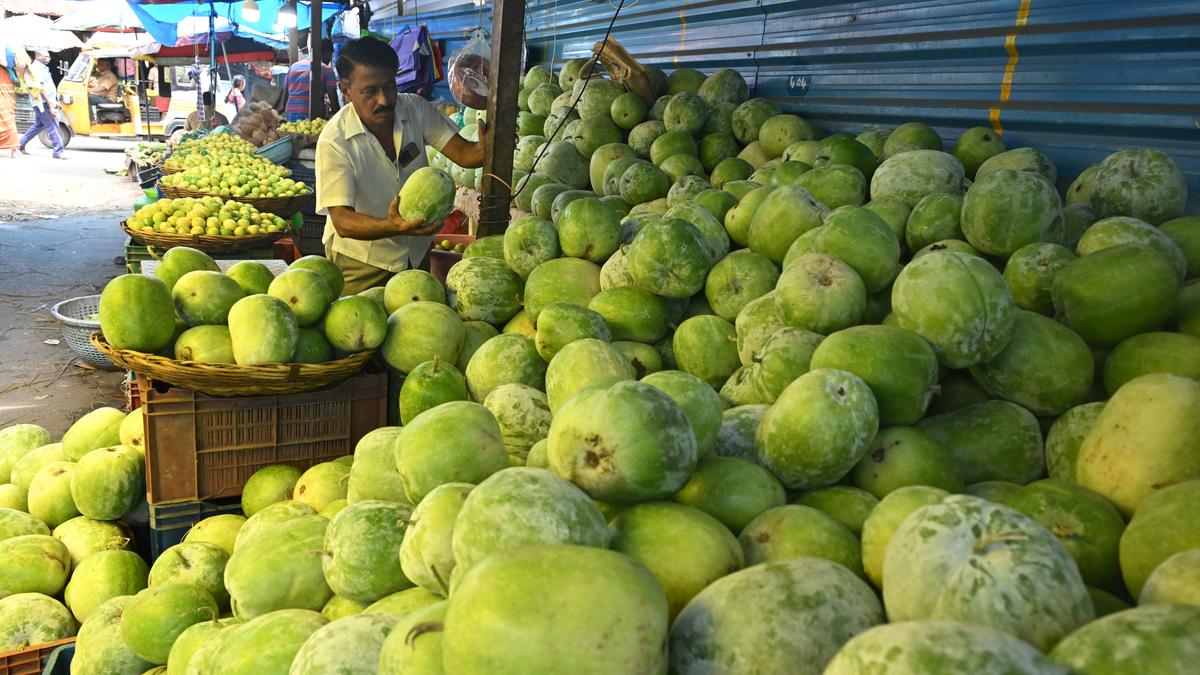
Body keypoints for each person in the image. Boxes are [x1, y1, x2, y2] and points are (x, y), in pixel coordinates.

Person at [316, 37, 484, 294]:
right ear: (345, 90)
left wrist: (487, 141)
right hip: (362, 262)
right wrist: (392, 226)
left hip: (415, 254)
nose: (384, 100)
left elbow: (465, 155)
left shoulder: (415, 109)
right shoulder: (335, 141)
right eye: (370, 91)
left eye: (389, 86)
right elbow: (343, 221)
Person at [18, 50, 64, 159]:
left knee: (40, 124)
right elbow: (41, 88)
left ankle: (20, 144)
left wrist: (54, 101)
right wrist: (50, 103)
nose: (48, 58)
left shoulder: (42, 68)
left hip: (44, 101)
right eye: (45, 56)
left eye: (48, 56)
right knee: (52, 125)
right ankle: (58, 151)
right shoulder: (37, 68)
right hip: (42, 102)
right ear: (38, 56)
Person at [285, 38, 340, 122]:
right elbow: (333, 100)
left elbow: (285, 96)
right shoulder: (326, 70)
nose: (330, 60)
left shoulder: (293, 67)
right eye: (330, 55)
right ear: (328, 53)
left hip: (290, 112)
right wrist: (339, 117)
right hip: (312, 115)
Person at [0, 45, 29, 157]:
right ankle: (14, 150)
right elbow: (17, 82)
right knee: (9, 121)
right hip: (8, 101)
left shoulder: (8, 71)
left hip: (6, 100)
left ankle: (14, 149)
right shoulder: (9, 71)